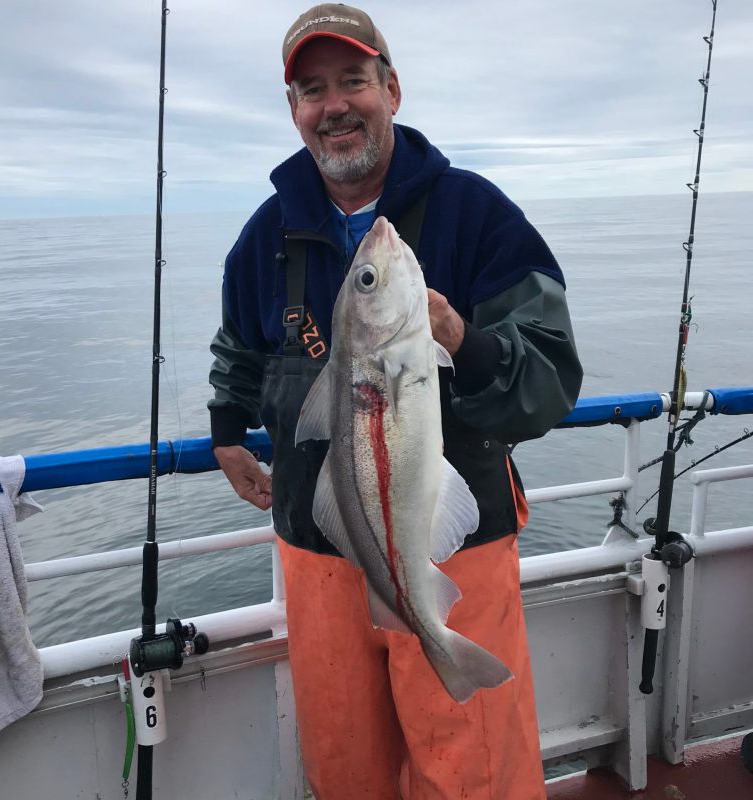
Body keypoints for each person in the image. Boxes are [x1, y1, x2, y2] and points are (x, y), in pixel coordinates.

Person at [208, 5, 582, 798]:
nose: (334, 105)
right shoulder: (264, 235)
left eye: (353, 80)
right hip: (316, 550)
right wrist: (225, 429)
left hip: (453, 546)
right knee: (345, 767)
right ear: (293, 109)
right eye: (313, 90)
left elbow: (550, 378)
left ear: (392, 90)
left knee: (473, 773)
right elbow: (238, 346)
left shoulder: (478, 216)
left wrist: (463, 341)